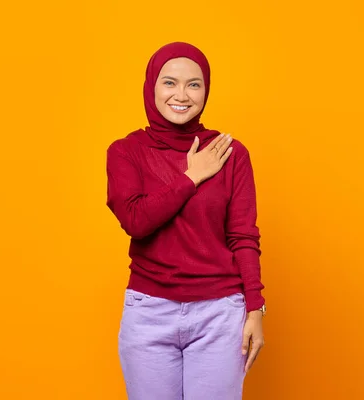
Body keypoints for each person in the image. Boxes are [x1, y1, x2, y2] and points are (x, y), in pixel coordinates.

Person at [105, 41, 266, 400]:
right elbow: (136, 220)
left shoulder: (228, 152)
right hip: (149, 313)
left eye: (194, 84)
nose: (182, 94)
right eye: (170, 82)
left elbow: (243, 235)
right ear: (152, 86)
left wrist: (255, 309)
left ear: (206, 90)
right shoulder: (125, 152)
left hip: (219, 313)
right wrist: (192, 176)